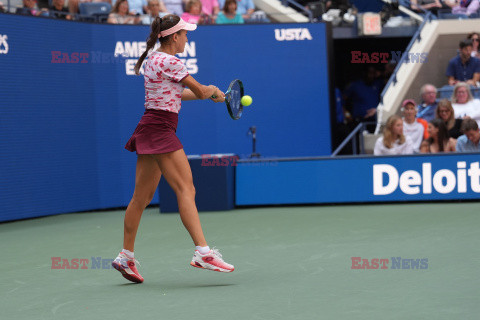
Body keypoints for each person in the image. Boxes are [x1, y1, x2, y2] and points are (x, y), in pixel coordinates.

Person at [111, 15, 234, 283]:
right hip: (160, 130)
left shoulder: (154, 59)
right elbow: (199, 91)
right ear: (174, 37)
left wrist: (209, 95)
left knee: (140, 199)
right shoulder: (170, 61)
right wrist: (210, 90)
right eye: (185, 35)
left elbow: (178, 93)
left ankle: (125, 256)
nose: (187, 39)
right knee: (186, 188)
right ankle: (203, 252)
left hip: (149, 126)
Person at [343, 65, 384, 132]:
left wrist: (380, 74)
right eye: (370, 73)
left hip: (375, 121)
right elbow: (342, 99)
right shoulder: (355, 85)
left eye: (373, 73)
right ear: (364, 73)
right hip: (360, 121)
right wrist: (347, 114)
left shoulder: (378, 84)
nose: (371, 76)